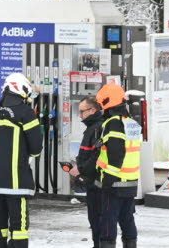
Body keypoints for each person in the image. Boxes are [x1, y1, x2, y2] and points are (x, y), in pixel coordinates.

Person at [0, 72, 42, 248]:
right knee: (19, 228)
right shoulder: (25, 113)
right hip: (16, 183)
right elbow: (36, 148)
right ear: (22, 89)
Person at [95, 83, 141, 248]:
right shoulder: (131, 123)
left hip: (114, 183)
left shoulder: (113, 123)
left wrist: (108, 179)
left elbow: (116, 153)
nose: (101, 109)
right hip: (130, 181)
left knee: (108, 220)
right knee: (127, 218)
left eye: (101, 104)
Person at [69, 97, 105, 248]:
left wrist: (80, 169)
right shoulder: (92, 128)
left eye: (82, 112)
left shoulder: (97, 128)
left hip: (97, 183)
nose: (80, 115)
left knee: (98, 218)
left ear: (92, 110)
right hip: (91, 181)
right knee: (94, 218)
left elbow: (96, 156)